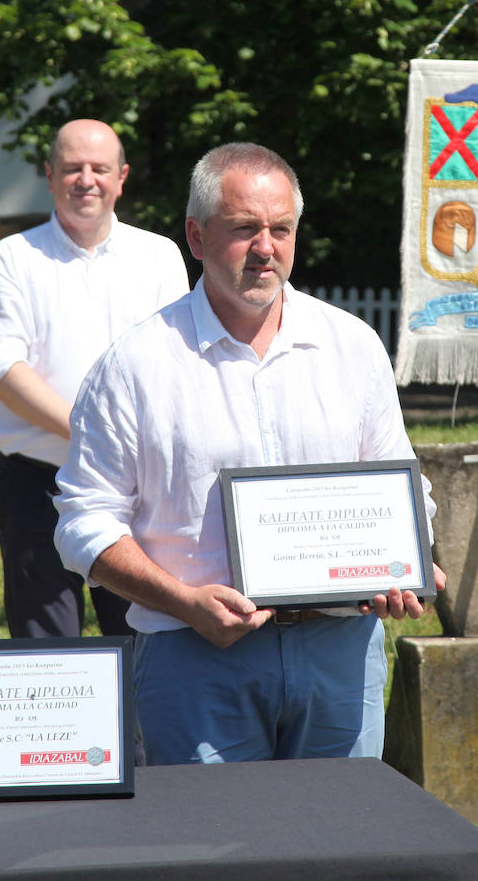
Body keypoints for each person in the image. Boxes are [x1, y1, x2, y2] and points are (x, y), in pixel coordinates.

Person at [53, 142, 442, 765]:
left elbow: (403, 487)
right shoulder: (135, 367)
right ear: (195, 236)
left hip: (340, 653)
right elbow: (84, 525)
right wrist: (184, 602)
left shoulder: (351, 347)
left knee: (340, 848)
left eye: (280, 229)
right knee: (212, 851)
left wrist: (405, 565)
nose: (266, 247)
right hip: (196, 656)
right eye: (243, 229)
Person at [0, 119, 187, 640]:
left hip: (136, 485)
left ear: (122, 178)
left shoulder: (158, 257)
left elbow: (180, 366)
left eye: (99, 169)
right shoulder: (14, 258)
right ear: (49, 176)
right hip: (37, 479)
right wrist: (90, 431)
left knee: (143, 636)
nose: (85, 179)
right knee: (46, 646)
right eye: (72, 168)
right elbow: (2, 370)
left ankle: (137, 729)